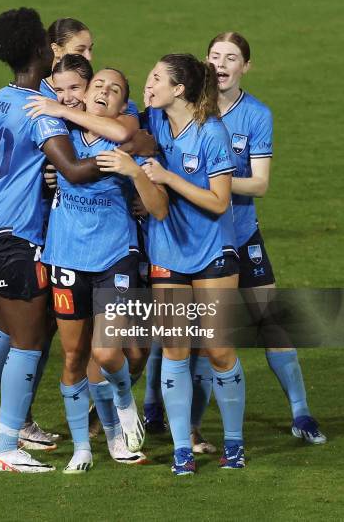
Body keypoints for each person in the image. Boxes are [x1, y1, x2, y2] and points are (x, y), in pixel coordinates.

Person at [0, 7, 106, 473]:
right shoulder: (42, 110)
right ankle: (6, 446)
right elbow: (76, 170)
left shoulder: (1, 96)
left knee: (5, 327)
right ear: (43, 50)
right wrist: (122, 158)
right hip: (12, 233)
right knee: (29, 338)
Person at [35, 67, 168, 473]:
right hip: (67, 256)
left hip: (115, 255)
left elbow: (159, 200)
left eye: (114, 90)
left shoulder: (131, 140)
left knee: (107, 351)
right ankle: (88, 446)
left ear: (122, 104)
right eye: (99, 85)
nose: (104, 91)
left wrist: (142, 190)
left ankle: (125, 399)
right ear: (87, 94)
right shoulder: (61, 132)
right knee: (74, 356)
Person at [202, 32, 326, 445]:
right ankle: (158, 412)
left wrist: (212, 181)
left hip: (240, 234)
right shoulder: (186, 108)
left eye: (231, 58)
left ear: (245, 67)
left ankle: (301, 412)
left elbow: (259, 184)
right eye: (216, 56)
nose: (221, 64)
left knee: (270, 322)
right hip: (196, 241)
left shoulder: (256, 114)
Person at [141, 54, 246, 475]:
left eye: (154, 78)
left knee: (219, 349)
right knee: (175, 349)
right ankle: (182, 447)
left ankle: (234, 443)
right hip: (167, 253)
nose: (146, 85)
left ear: (178, 89)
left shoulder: (211, 134)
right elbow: (102, 113)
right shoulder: (150, 121)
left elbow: (220, 202)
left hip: (213, 254)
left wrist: (168, 178)